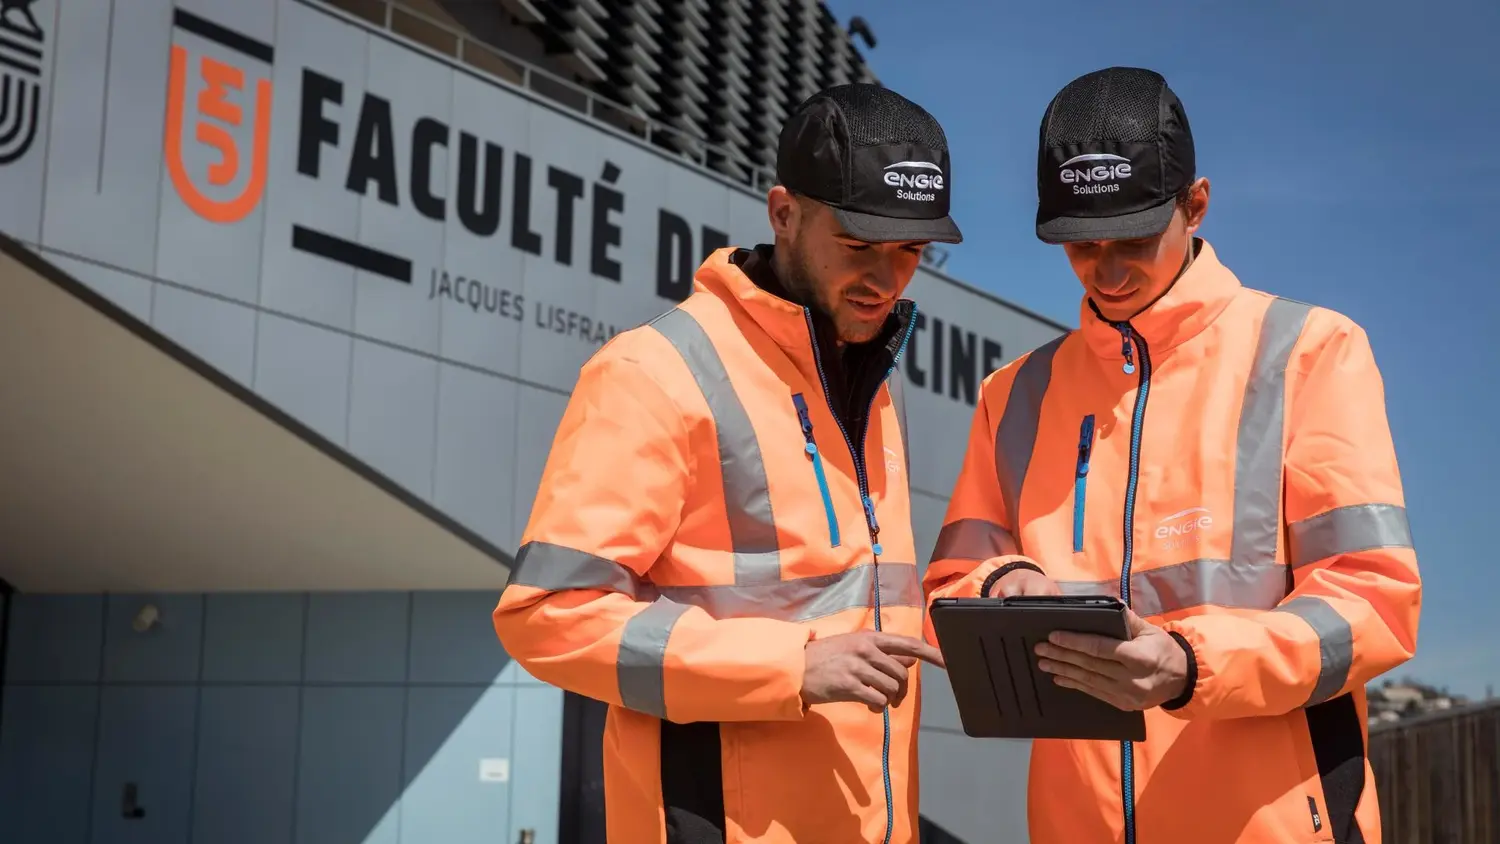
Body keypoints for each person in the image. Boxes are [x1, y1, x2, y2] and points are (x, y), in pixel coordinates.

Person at [923, 66, 1421, 843]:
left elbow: (1376, 602)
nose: (1108, 269)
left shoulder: (1309, 352)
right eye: (1080, 245)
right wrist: (1005, 585)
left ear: (1197, 205)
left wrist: (1192, 663)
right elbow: (950, 588)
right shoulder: (1013, 395)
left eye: (1133, 237)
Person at [493, 82, 956, 844]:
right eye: (859, 245)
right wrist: (791, 667)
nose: (886, 277)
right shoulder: (655, 371)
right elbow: (546, 618)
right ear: (783, 213)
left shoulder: (869, 385)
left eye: (910, 250)